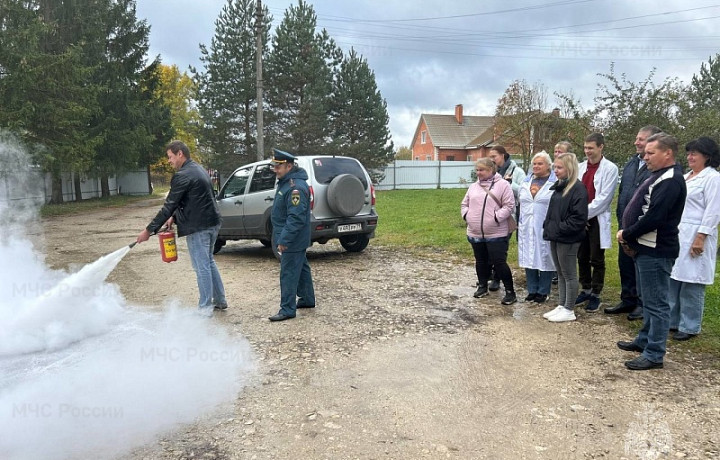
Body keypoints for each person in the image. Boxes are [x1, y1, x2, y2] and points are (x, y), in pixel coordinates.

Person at [616, 133, 686, 370]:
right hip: (644, 247)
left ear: (668, 153)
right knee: (648, 298)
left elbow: (654, 217)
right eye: (645, 153)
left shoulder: (671, 180)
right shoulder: (658, 175)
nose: (645, 157)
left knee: (657, 303)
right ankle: (644, 340)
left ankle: (655, 353)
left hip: (656, 250)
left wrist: (627, 233)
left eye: (650, 153)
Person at [136, 140, 227, 316]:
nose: (169, 161)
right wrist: (174, 217)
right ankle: (220, 300)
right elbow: (193, 199)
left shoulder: (182, 175)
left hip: (199, 226)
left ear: (180, 154)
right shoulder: (198, 168)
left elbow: (169, 205)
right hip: (213, 222)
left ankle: (205, 308)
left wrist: (148, 230)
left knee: (202, 266)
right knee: (208, 261)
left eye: (170, 157)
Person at [604, 126, 661, 319]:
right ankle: (627, 298)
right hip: (625, 223)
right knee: (625, 262)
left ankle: (642, 304)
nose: (636, 142)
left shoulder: (656, 168)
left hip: (642, 225)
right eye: (637, 138)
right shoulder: (630, 164)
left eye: (641, 139)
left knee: (640, 264)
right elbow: (624, 193)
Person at [668, 137, 720, 341]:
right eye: (688, 153)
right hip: (679, 232)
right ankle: (672, 320)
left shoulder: (712, 178)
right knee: (675, 277)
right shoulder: (686, 176)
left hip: (697, 233)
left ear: (707, 156)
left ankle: (689, 325)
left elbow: (713, 210)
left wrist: (701, 237)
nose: (689, 157)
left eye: (694, 154)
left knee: (691, 281)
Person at [461, 158, 517, 305]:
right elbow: (464, 203)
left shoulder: (503, 185)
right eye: (477, 170)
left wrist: (496, 218)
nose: (479, 173)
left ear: (491, 170)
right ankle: (482, 286)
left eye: (482, 170)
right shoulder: (473, 187)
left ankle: (510, 292)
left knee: (499, 262)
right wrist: (467, 215)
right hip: (475, 232)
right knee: (480, 261)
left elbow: (509, 205)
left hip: (496, 232)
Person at [268, 149, 316, 322]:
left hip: (292, 240)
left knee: (288, 272)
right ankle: (307, 299)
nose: (275, 169)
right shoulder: (287, 183)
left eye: (278, 166)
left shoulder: (295, 188)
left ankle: (287, 309)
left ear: (289, 166)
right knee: (302, 268)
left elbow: (295, 218)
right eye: (274, 166)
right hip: (295, 238)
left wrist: (284, 240)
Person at [542, 153, 588, 322]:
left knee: (569, 274)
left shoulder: (578, 189)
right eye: (554, 167)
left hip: (568, 238)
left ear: (569, 168)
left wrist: (560, 228)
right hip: (555, 235)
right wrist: (549, 227)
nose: (556, 170)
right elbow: (552, 212)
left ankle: (569, 308)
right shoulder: (559, 187)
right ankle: (562, 305)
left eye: (559, 167)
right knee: (560, 273)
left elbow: (578, 218)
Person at [574, 133, 618, 312]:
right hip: (580, 217)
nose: (587, 151)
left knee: (596, 257)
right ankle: (585, 288)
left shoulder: (610, 168)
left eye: (591, 148)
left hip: (596, 218)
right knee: (581, 255)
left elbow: (604, 198)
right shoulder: (580, 167)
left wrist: (584, 214)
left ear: (601, 147)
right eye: (585, 148)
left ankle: (596, 293)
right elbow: (574, 192)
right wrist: (578, 215)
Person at [518, 151, 556, 303]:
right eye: (534, 163)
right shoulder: (526, 182)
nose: (536, 166)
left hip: (545, 225)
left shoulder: (554, 184)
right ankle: (532, 289)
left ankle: (543, 290)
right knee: (529, 256)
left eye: (540, 163)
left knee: (546, 256)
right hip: (526, 225)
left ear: (548, 166)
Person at [488, 145, 526, 290]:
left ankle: (497, 278)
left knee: (500, 248)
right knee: (490, 247)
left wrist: (511, 184)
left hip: (509, 215)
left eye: (494, 157)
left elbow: (524, 193)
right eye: (490, 157)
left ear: (503, 155)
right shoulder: (491, 171)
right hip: (491, 216)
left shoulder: (517, 172)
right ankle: (489, 275)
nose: (492, 160)